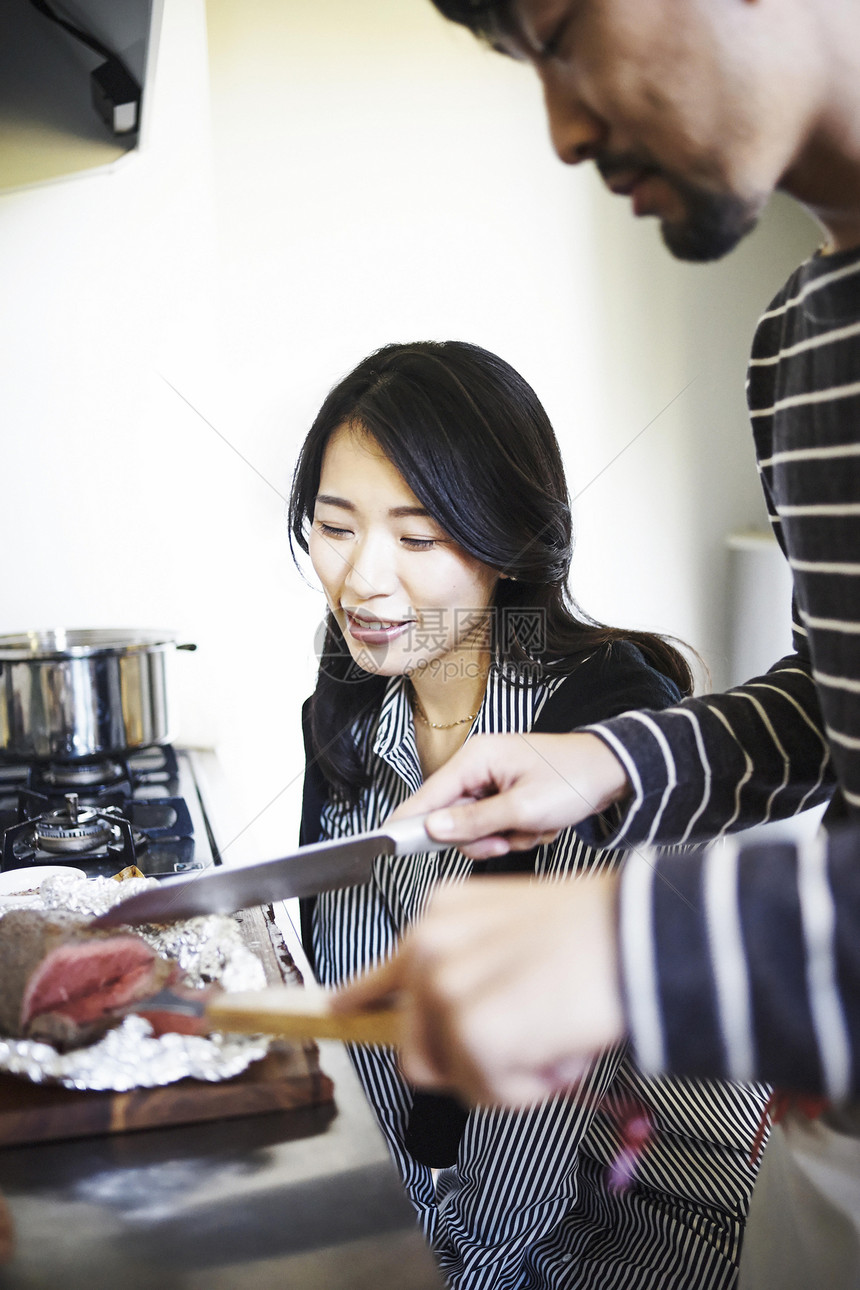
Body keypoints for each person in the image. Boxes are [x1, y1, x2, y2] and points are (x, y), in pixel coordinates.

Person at [328, 1, 860, 1285]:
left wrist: (640, 942)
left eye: (560, 29)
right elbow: (832, 702)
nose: (560, 127)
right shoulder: (800, 335)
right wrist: (617, 760)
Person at [290, 339, 768, 1289]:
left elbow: (532, 1142)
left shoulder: (595, 742)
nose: (363, 581)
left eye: (419, 539)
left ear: (508, 541)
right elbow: (377, 1026)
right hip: (443, 1219)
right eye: (335, 527)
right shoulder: (354, 693)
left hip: (631, 1241)